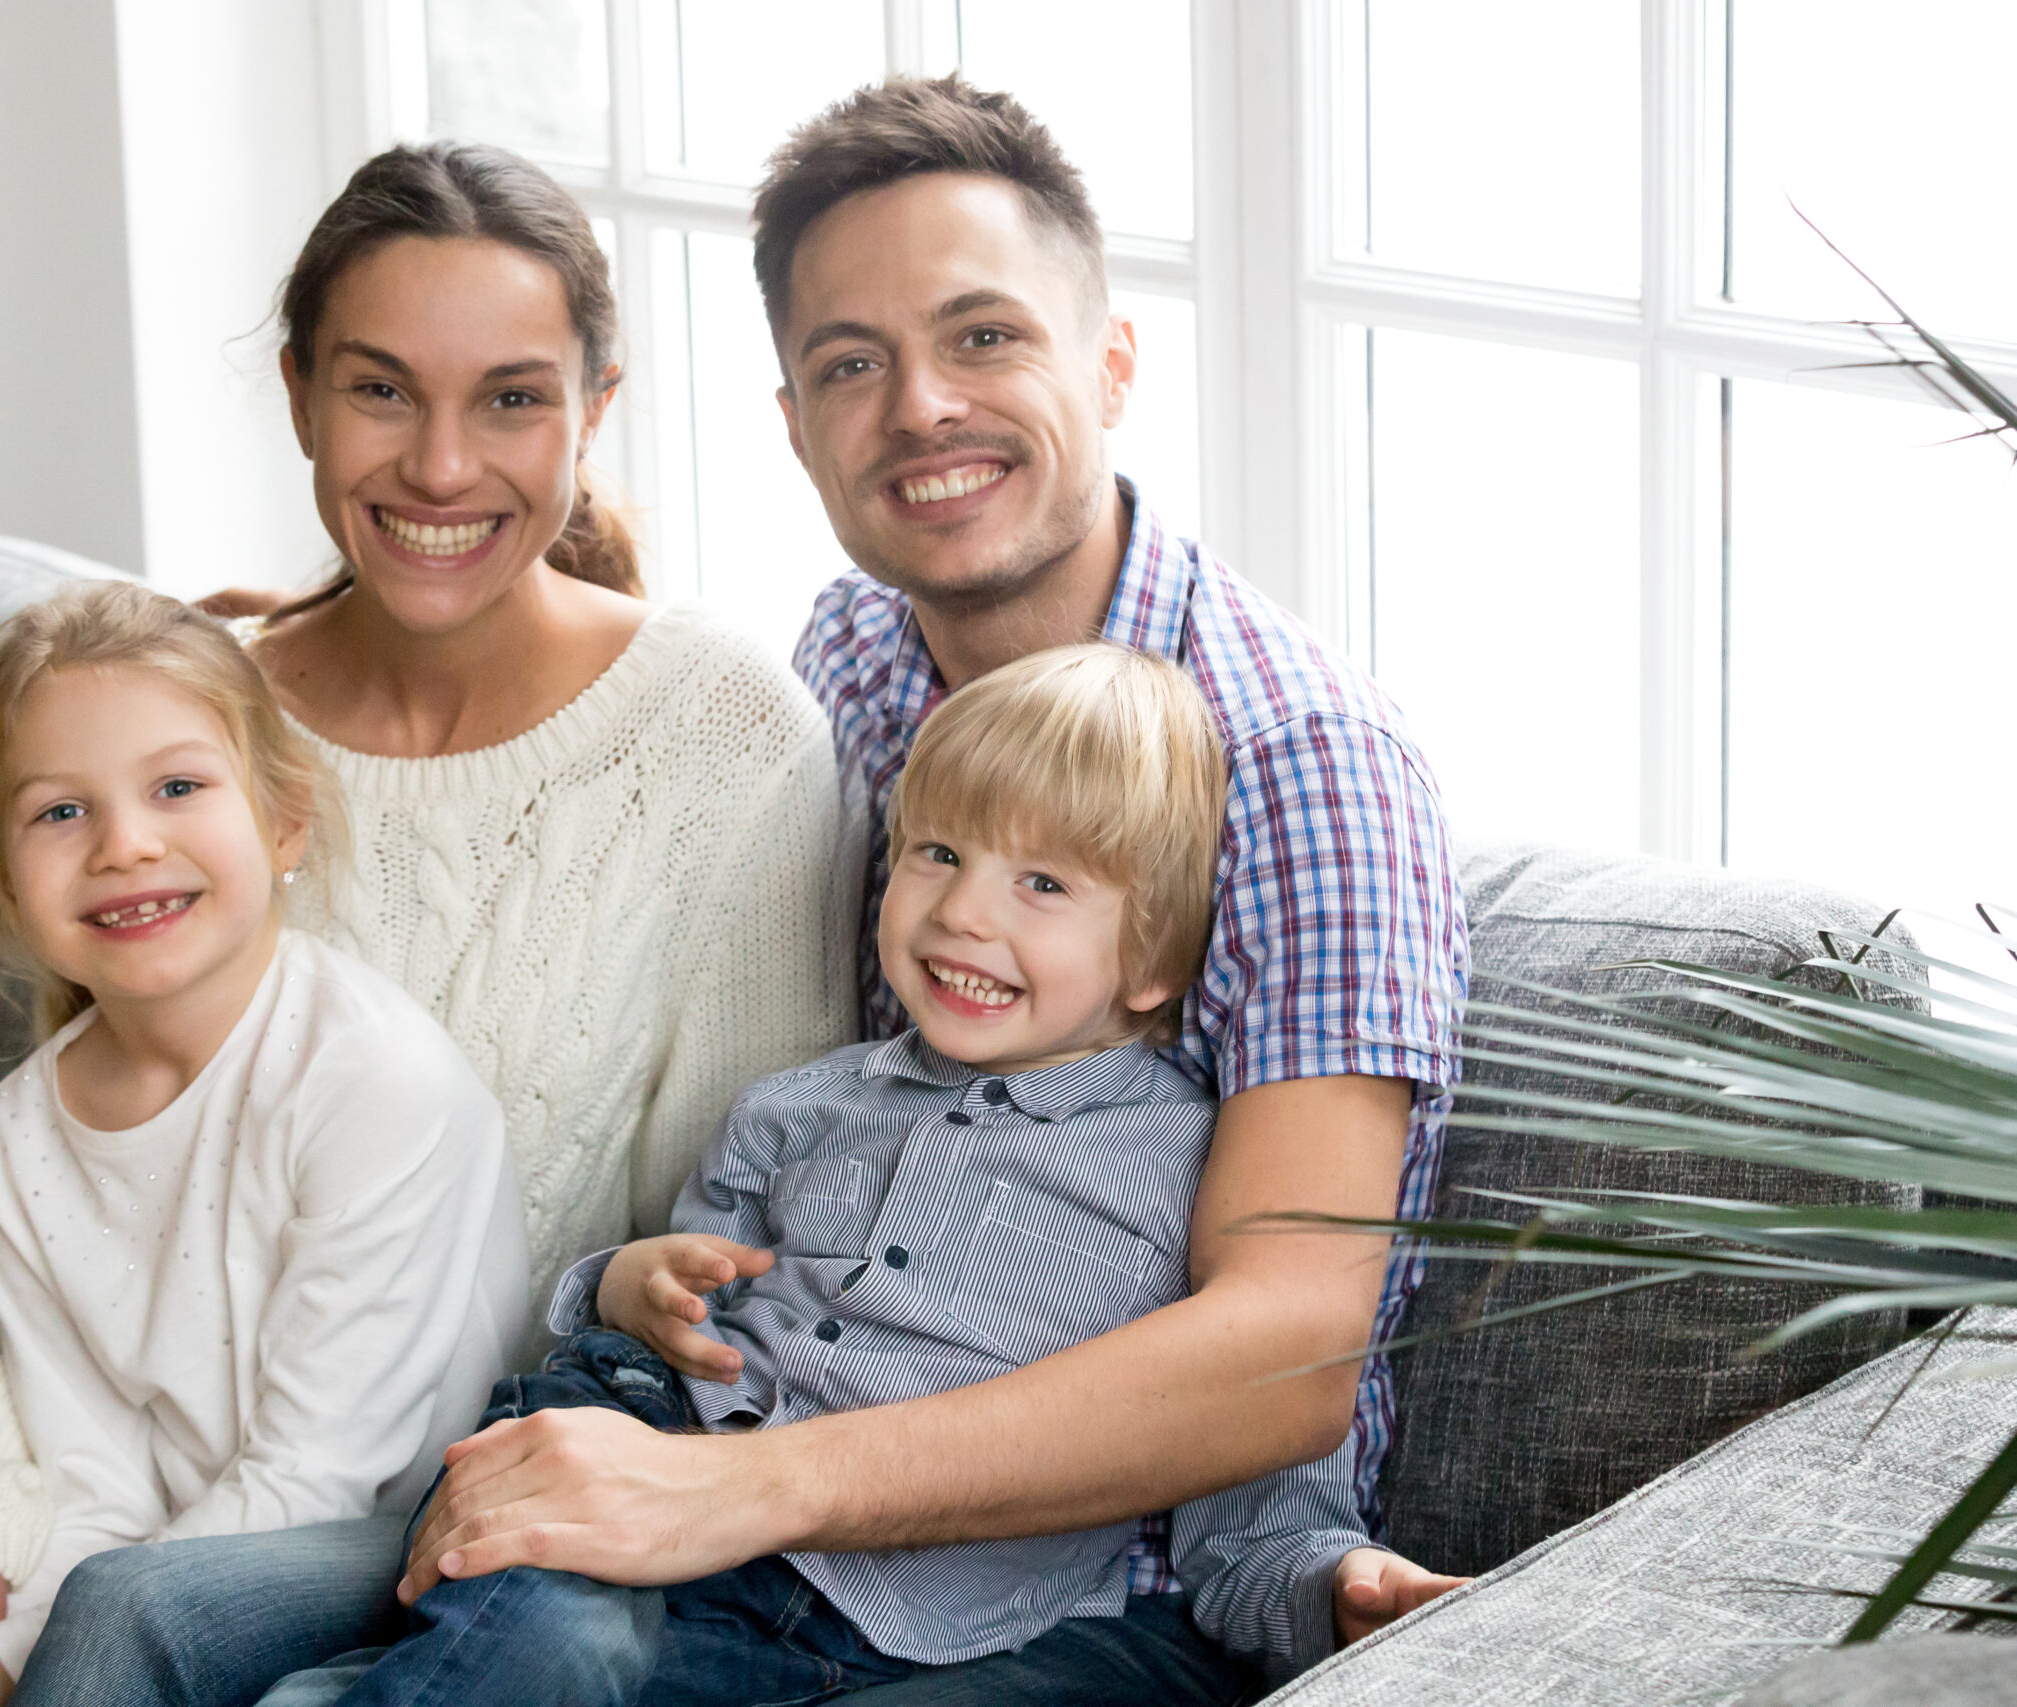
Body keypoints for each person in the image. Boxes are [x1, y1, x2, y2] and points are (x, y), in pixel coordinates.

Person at [0, 142, 855, 1707]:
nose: (440, 465)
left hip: (400, 1393)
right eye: (381, 390)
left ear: (595, 405)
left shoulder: (729, 730)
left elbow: (737, 1231)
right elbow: (94, 1154)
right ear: (302, 394)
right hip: (38, 1229)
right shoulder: (202, 709)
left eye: (511, 397)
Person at [385, 76, 1467, 1703]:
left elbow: (1286, 1350)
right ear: (796, 424)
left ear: (1110, 364)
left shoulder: (1300, 763)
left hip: (1119, 1586)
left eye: (983, 337)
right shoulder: (856, 654)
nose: (920, 408)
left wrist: (742, 1488)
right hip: (768, 1512)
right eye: (851, 363)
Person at [258, 644, 1458, 1707]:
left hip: (876, 1627)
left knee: (511, 1668)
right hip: (646, 1441)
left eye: (1043, 884)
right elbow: (682, 1305)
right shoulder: (799, 1104)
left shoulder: (1189, 1176)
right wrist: (629, 1282)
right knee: (549, 1613)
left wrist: (1334, 1590)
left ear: (1153, 960)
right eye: (938, 853)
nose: (964, 913)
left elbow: (1249, 1482)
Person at [0, 582, 531, 1707]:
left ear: (283, 819)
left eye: (178, 787)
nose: (125, 845)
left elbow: (317, 1480)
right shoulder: (7, 1147)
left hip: (392, 1559)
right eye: (61, 811)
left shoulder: (373, 1082)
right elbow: (93, 1478)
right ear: (2, 875)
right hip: (161, 1568)